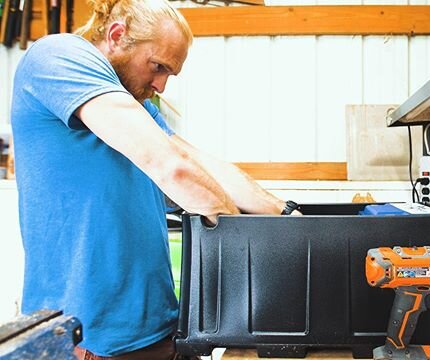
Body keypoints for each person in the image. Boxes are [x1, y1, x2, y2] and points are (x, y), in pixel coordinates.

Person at [10, 0, 300, 358]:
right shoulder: (58, 56)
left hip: (158, 329)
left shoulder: (134, 103)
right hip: (91, 337)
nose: (161, 85)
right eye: (158, 67)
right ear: (116, 36)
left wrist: (288, 217)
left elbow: (199, 163)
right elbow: (172, 168)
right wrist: (244, 246)